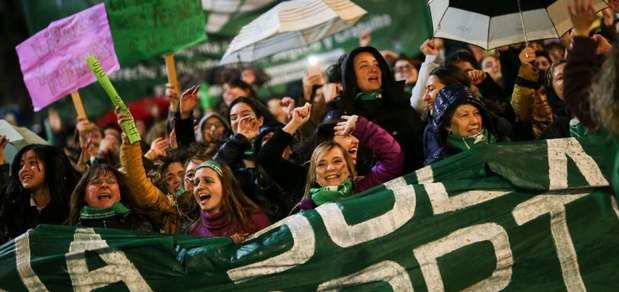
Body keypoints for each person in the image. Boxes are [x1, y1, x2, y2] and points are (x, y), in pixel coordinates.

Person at [337, 46, 424, 171]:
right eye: (364, 66)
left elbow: (421, 140)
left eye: (377, 64)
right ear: (351, 75)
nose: (373, 69)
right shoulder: (345, 115)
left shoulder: (400, 102)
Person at [215, 97, 289, 221]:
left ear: (260, 120)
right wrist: (240, 139)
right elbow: (214, 170)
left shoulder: (274, 139)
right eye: (234, 118)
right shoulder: (227, 152)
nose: (240, 120)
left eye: (245, 115)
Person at [0, 144, 79, 241]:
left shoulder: (72, 205)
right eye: (21, 165)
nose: (24, 169)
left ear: (50, 167)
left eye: (32, 163)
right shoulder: (14, 209)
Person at [188, 160, 270, 243]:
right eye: (196, 183)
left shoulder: (254, 219)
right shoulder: (193, 233)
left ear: (226, 187)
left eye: (208, 181)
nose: (199, 187)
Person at [424, 85, 509, 164]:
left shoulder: (503, 143)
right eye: (464, 115)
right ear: (447, 125)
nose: (475, 121)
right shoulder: (442, 162)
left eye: (476, 113)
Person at [67, 163, 156, 231]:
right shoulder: (68, 231)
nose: (104, 185)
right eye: (96, 182)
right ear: (83, 195)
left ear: (121, 192)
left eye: (111, 181)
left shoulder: (142, 224)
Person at [299, 142, 357, 209]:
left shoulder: (364, 190)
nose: (330, 168)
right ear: (315, 176)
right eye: (321, 164)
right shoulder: (306, 210)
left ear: (349, 168)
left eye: (337, 161)